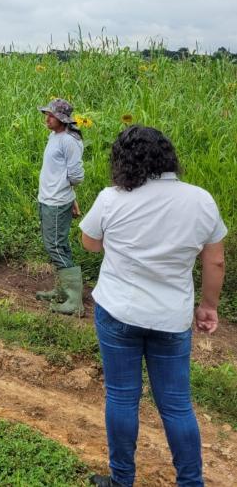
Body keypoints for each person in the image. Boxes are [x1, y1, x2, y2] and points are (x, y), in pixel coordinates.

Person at [81, 126, 227, 487]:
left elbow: (90, 244)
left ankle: (122, 480)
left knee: (121, 397)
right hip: (171, 318)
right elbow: (216, 262)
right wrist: (208, 306)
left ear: (123, 161)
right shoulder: (200, 200)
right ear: (168, 158)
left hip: (118, 311)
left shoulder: (112, 198)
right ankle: (191, 483)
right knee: (176, 405)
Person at [35, 98, 85, 315]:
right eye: (47, 114)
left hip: (56, 202)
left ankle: (74, 300)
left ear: (62, 120)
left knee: (55, 245)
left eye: (52, 115)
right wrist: (72, 197)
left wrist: (67, 195)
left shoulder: (69, 141)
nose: (47, 118)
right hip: (49, 198)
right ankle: (64, 291)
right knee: (58, 245)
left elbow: (76, 175)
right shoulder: (55, 136)